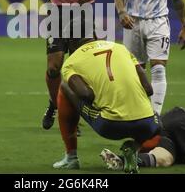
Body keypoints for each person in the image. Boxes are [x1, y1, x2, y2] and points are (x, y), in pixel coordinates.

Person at [37, 0, 108, 130]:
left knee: (81, 68)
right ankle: (54, 105)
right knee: (53, 68)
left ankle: (76, 112)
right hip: (57, 13)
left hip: (82, 13)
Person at [52, 37, 160, 173]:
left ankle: (71, 157)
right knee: (158, 125)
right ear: (95, 35)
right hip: (147, 124)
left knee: (64, 86)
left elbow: (86, 95)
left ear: (70, 43)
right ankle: (134, 148)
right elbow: (149, 89)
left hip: (110, 125)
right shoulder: (122, 48)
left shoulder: (71, 62)